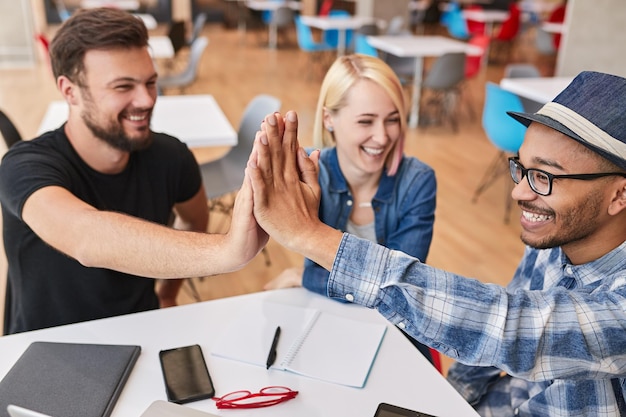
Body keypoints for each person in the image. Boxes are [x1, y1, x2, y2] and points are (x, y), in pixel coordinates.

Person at [246, 70, 626, 415]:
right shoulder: (554, 242)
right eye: (522, 169)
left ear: (619, 195)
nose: (518, 194)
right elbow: (491, 346)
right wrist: (447, 399)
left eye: (545, 177)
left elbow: (506, 325)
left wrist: (310, 236)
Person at [0, 8, 266, 334]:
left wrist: (167, 294)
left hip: (142, 331)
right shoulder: (25, 166)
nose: (146, 99)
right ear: (70, 91)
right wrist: (227, 250)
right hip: (45, 349)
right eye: (123, 86)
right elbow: (85, 236)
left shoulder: (171, 156)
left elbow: (194, 221)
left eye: (150, 82)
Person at [264, 54, 438, 365]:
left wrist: (307, 277)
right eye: (366, 121)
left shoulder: (418, 181)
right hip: (327, 324)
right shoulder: (309, 172)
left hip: (394, 338)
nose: (383, 136)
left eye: (393, 119)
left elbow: (398, 288)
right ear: (329, 118)